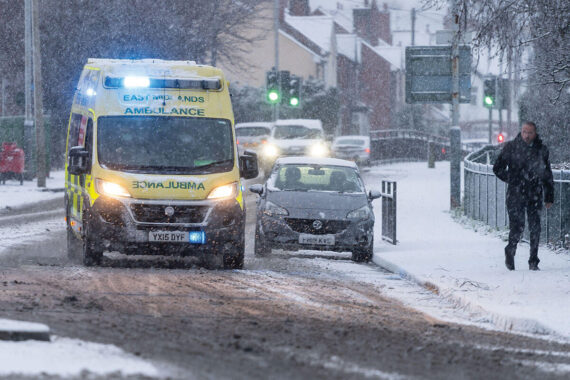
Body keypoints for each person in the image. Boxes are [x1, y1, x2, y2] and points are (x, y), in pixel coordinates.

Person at [493, 121, 554, 271]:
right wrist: (512, 179)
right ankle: (510, 250)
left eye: (530, 132)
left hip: (535, 193)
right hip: (516, 194)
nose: (526, 135)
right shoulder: (511, 148)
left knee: (535, 227)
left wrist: (549, 195)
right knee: (517, 227)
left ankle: (533, 260)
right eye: (524, 132)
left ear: (535, 133)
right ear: (521, 131)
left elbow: (547, 174)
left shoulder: (541, 150)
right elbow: (497, 168)